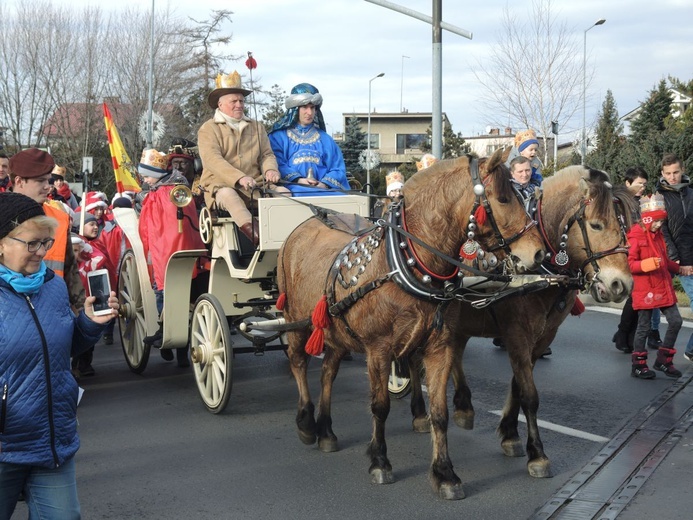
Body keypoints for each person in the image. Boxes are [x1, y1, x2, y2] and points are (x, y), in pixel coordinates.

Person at [0, 191, 118, 519]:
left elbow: (59, 350)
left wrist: (89, 324)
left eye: (45, 242)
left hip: (52, 444)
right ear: (1, 243)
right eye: (32, 243)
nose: (42, 252)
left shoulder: (52, 285)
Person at [198, 71, 286, 247]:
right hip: (220, 186)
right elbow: (212, 160)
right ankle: (261, 243)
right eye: (234, 101)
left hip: (257, 186)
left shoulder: (257, 127)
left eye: (242, 101)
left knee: (284, 194)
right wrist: (239, 178)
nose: (239, 105)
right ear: (220, 104)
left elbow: (266, 155)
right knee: (230, 196)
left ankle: (286, 241)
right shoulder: (208, 129)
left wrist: (270, 169)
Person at [138, 148, 206, 366]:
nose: (145, 180)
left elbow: (157, 230)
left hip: (167, 253)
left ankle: (168, 335)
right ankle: (178, 348)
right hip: (176, 251)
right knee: (179, 298)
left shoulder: (163, 194)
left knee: (164, 294)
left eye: (147, 175)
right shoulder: (173, 191)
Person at [9, 148, 85, 312]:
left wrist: (82, 311)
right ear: (19, 181)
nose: (47, 187)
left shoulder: (60, 219)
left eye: (48, 181)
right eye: (40, 181)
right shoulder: (3, 215)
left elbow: (70, 270)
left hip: (52, 310)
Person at [627, 193, 683, 379]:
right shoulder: (635, 236)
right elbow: (630, 264)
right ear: (647, 219)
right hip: (645, 288)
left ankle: (663, 360)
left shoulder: (657, 235)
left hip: (662, 284)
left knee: (676, 320)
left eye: (661, 221)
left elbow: (664, 260)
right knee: (643, 327)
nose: (660, 225)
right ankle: (638, 365)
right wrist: (646, 264)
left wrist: (681, 269)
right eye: (656, 222)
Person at [612, 167, 662, 353]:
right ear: (627, 183)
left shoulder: (642, 202)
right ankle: (624, 335)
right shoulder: (618, 202)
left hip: (641, 251)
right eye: (639, 183)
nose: (642, 187)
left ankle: (624, 335)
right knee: (635, 296)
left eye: (644, 184)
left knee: (636, 296)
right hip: (626, 251)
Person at [268, 83, 350, 196]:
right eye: (305, 107)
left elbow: (338, 168)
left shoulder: (326, 140)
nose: (309, 112)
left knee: (344, 199)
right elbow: (276, 163)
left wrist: (324, 184)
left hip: (323, 189)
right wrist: (299, 180)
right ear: (295, 109)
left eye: (312, 108)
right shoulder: (278, 137)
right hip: (292, 187)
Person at [656, 153, 693, 363]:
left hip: (689, 258)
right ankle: (647, 335)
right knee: (651, 301)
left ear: (682, 170)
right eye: (668, 173)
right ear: (662, 173)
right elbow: (662, 231)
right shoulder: (659, 196)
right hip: (667, 257)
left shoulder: (692, 195)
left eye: (676, 172)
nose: (672, 177)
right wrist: (674, 257)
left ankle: (690, 350)